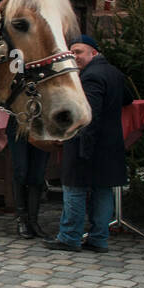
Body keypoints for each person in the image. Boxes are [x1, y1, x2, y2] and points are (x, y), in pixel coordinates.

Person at [46, 35, 132, 253]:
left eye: (79, 52)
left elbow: (88, 115)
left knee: (74, 190)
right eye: (71, 52)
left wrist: (83, 148)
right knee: (102, 191)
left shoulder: (91, 77)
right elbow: (128, 99)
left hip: (87, 143)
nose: (74, 57)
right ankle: (99, 239)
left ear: (94, 53)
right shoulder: (113, 72)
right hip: (109, 144)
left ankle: (69, 237)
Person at [8, 116, 49, 238]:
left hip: (42, 125)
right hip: (19, 123)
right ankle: (22, 219)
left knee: (38, 174)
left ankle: (33, 221)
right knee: (20, 170)